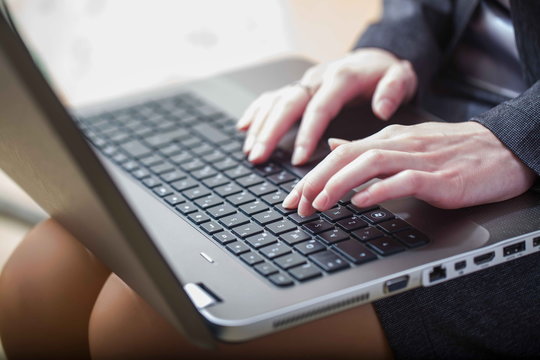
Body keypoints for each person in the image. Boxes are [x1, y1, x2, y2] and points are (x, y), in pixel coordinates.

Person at [1, 0, 540, 359]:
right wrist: (393, 48)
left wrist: (512, 139)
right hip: (428, 116)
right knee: (40, 276)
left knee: (145, 329)